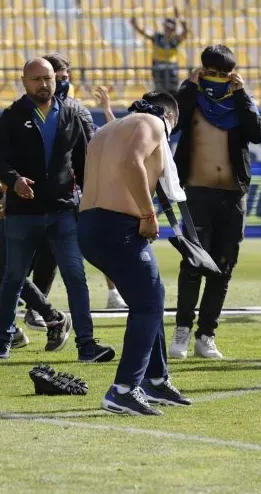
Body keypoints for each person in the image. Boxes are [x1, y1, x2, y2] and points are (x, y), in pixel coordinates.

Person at [0, 58, 113, 362]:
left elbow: (85, 162)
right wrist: (13, 181)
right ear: (23, 81)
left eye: (48, 78)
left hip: (63, 211)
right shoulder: (12, 116)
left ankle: (86, 344)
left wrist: (90, 198)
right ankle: (2, 340)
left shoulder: (71, 112)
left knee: (75, 275)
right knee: (14, 277)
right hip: (22, 212)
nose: (43, 84)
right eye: (36, 79)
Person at [80, 92, 192, 416]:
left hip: (89, 225)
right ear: (172, 117)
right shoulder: (155, 122)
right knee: (149, 303)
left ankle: (155, 380)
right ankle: (124, 389)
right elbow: (132, 162)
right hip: (119, 226)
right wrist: (147, 213)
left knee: (148, 297)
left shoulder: (107, 130)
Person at [168, 45, 261, 360]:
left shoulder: (238, 101)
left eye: (224, 75)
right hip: (196, 193)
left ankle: (206, 335)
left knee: (223, 267)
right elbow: (172, 122)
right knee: (194, 262)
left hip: (232, 195)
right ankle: (182, 330)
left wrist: (241, 94)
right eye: (213, 74)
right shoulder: (192, 99)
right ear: (202, 71)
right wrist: (189, 86)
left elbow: (257, 133)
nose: (218, 80)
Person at [0, 82, 71, 347]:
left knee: (5, 269)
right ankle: (13, 329)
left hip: (23, 208)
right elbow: (3, 178)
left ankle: (51, 318)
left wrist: (6, 195)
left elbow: (17, 170)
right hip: (12, 205)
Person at [43, 53, 127, 311]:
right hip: (45, 192)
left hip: (79, 190)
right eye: (57, 78)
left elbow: (96, 145)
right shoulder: (30, 111)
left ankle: (114, 294)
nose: (62, 82)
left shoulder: (78, 109)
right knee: (39, 252)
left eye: (65, 77)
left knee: (98, 241)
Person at [130, 10, 188, 94]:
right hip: (158, 68)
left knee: (173, 94)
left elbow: (185, 31)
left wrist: (180, 17)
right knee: (160, 94)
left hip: (171, 69)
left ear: (174, 29)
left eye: (170, 28)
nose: (167, 30)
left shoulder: (175, 39)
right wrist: (136, 25)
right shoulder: (157, 37)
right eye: (166, 27)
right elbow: (143, 32)